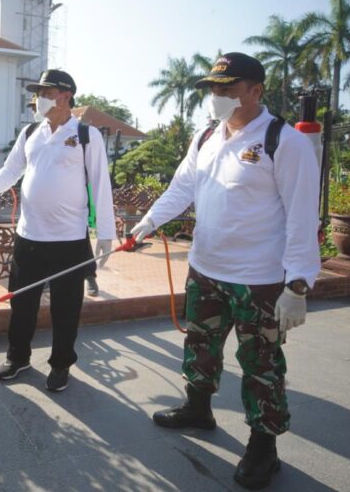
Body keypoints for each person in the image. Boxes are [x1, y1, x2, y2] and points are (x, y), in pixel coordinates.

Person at [131, 52, 320, 489]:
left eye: (227, 88)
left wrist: (298, 284)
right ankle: (197, 407)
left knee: (261, 364)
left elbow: (301, 216)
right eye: (213, 88)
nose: (217, 96)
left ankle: (263, 445)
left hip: (260, 279)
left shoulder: (283, 141)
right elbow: (181, 188)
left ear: (256, 91)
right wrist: (149, 221)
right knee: (200, 344)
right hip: (206, 270)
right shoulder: (207, 138)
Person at [0, 69, 115, 392]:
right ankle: (18, 357)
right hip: (29, 236)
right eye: (38, 93)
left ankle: (61, 365)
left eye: (45, 92)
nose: (38, 98)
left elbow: (101, 185)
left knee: (66, 308)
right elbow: (10, 171)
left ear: (65, 96)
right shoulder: (31, 132)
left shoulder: (87, 136)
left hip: (69, 240)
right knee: (22, 303)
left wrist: (105, 233)